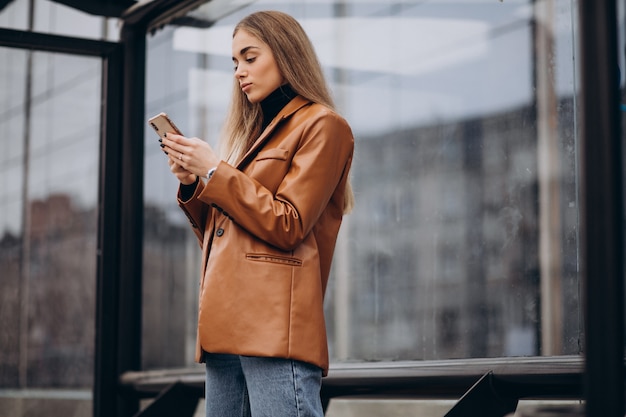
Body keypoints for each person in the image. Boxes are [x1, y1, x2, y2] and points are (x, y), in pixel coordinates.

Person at [159, 10, 354, 417]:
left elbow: (288, 223)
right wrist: (196, 182)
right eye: (234, 63)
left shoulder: (323, 126)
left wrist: (215, 170)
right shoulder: (254, 136)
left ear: (286, 54)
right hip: (222, 328)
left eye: (250, 57)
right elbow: (225, 237)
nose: (239, 72)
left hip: (272, 329)